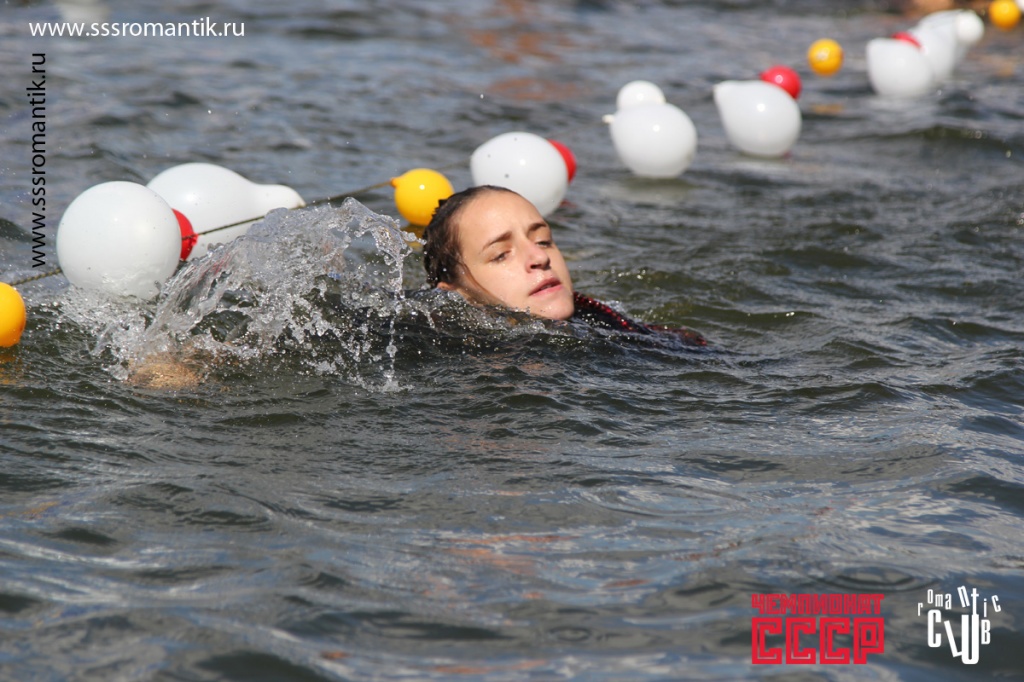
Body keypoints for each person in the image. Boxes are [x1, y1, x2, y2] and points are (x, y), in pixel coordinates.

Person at [422, 185, 706, 346]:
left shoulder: (614, 328)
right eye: (501, 254)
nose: (540, 257)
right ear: (455, 295)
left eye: (543, 240)